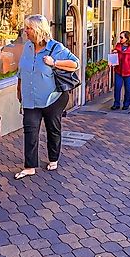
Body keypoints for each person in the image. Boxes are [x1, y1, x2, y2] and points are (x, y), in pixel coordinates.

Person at [16, 14, 80, 179]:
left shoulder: (55, 48)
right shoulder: (27, 47)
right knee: (30, 130)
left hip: (53, 98)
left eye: (28, 28)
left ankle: (53, 158)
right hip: (31, 97)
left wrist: (54, 63)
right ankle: (30, 166)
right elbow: (22, 70)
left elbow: (75, 63)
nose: (25, 31)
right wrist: (19, 88)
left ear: (38, 30)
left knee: (53, 129)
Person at [111, 31, 130, 110]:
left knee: (128, 89)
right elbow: (114, 57)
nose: (120, 39)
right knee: (117, 87)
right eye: (120, 37)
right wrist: (114, 53)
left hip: (129, 72)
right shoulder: (118, 46)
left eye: (121, 37)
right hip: (119, 71)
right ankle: (116, 103)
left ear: (127, 38)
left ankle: (126, 104)